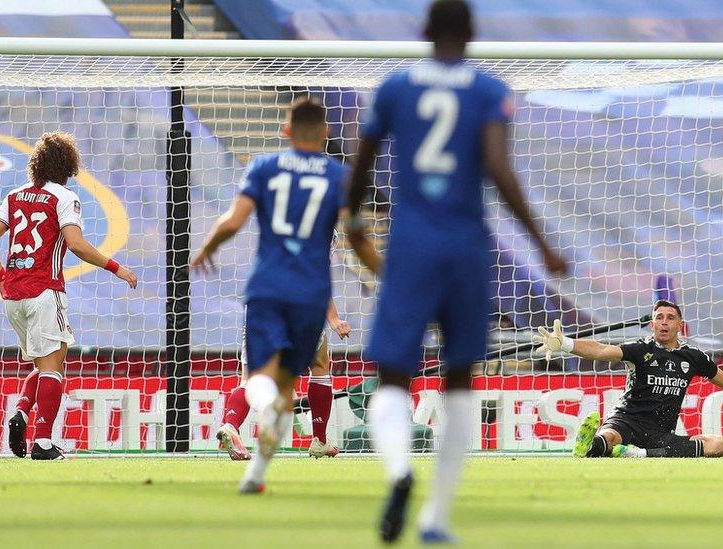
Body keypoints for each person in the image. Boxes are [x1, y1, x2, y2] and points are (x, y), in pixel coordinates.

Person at [345, 0, 567, 542]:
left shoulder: (396, 88)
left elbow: (364, 154)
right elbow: (497, 166)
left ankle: (399, 473)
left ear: (425, 30)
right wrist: (541, 241)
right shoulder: (488, 91)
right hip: (468, 246)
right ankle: (436, 517)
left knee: (393, 377)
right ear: (471, 33)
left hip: (411, 244)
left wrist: (351, 217)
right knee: (460, 379)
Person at [191, 97, 363, 493]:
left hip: (266, 291)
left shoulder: (264, 167)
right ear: (326, 134)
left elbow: (233, 220)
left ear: (284, 131)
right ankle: (263, 467)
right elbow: (352, 239)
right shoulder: (336, 177)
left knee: (258, 377)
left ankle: (247, 416)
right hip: (309, 297)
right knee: (298, 382)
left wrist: (208, 247)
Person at [0, 131, 137, 460]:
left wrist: (1, 276)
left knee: (44, 364)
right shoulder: (63, 197)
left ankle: (21, 410)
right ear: (68, 165)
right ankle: (44, 442)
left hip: (13, 295)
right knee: (54, 367)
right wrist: (116, 267)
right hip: (44, 291)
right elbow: (74, 243)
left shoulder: (14, 195)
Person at [534, 301, 723, 459]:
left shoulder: (693, 357)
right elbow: (601, 349)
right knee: (610, 436)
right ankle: (588, 446)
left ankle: (639, 454)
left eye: (670, 318)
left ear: (680, 325)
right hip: (627, 420)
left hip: (659, 431)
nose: (664, 322)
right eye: (659, 318)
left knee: (719, 444)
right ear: (652, 324)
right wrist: (565, 343)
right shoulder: (640, 349)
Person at [216, 300, 351, 461]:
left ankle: (231, 425)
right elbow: (318, 281)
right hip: (299, 308)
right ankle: (320, 440)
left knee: (249, 378)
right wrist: (334, 319)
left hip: (260, 308)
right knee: (319, 365)